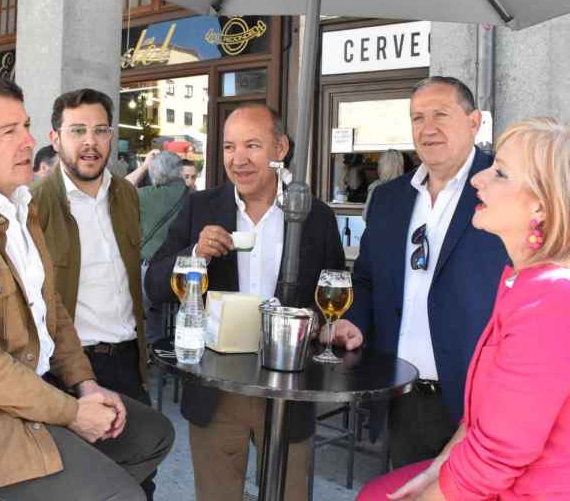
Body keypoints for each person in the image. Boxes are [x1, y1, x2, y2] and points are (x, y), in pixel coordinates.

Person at [0, 76, 173, 501]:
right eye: (8, 132)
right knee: (123, 496)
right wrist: (72, 413)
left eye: (25, 127)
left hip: (35, 385)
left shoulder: (19, 206)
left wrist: (86, 385)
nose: (27, 141)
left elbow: (53, 311)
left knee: (153, 434)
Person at [359, 118, 570, 500]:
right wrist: (436, 471)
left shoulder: (559, 298)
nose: (477, 180)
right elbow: (484, 422)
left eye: (499, 173)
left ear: (543, 204)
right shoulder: (528, 281)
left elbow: (494, 459)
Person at [145, 103, 362, 501]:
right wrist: (196, 254)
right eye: (229, 147)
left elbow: (334, 300)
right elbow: (155, 285)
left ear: (280, 148)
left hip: (289, 390)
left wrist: (335, 326)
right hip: (217, 388)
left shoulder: (315, 217)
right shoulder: (200, 207)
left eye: (252, 145)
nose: (238, 159)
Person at [349, 76, 509, 469]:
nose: (427, 127)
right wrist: (355, 322)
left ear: (475, 123)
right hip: (401, 394)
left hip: (480, 405)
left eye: (441, 114)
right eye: (417, 117)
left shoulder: (503, 188)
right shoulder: (389, 198)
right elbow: (367, 279)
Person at [32, 88, 168, 499]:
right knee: (85, 489)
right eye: (77, 131)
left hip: (128, 363)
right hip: (70, 373)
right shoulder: (34, 206)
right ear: (56, 139)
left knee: (141, 482)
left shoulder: (126, 196)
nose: (90, 142)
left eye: (100, 130)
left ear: (112, 137)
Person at [137, 150, 190, 342]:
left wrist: (143, 167)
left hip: (146, 270)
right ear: (179, 171)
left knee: (147, 320)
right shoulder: (194, 197)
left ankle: (152, 358)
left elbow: (116, 191)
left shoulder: (142, 196)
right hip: (181, 271)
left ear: (154, 173)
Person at [361, 149, 404, 221]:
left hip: (378, 230)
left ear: (383, 166)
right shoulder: (407, 188)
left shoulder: (376, 187)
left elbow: (365, 216)